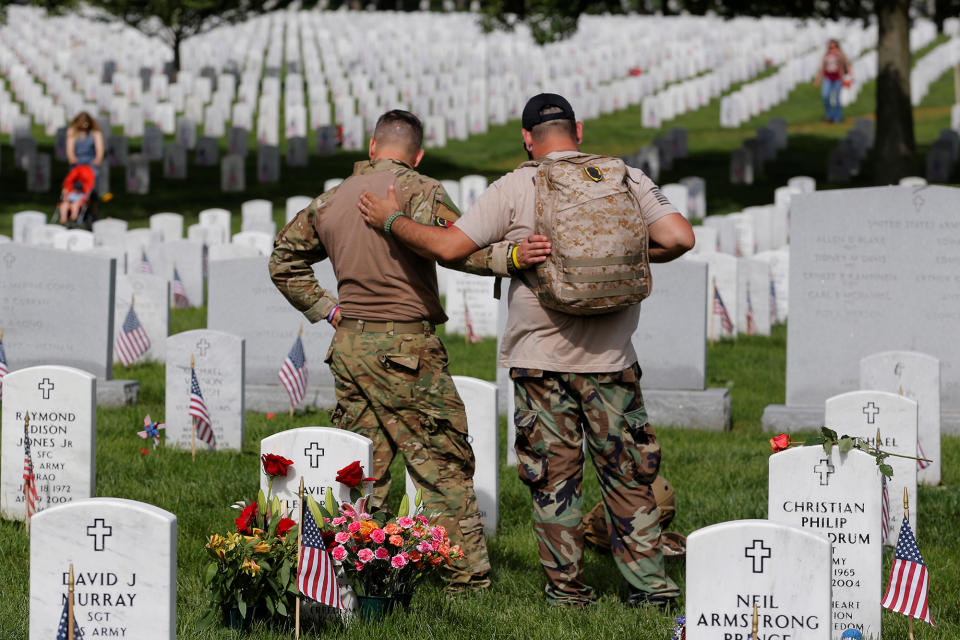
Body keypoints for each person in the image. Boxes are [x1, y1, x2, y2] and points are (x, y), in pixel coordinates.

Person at [358, 94, 695, 608]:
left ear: (526, 139)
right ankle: (651, 589)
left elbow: (449, 248)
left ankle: (567, 592)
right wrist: (617, 253)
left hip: (538, 360)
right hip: (612, 363)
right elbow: (679, 237)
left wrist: (390, 220)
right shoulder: (624, 175)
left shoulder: (517, 184)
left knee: (554, 481)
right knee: (626, 475)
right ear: (577, 130)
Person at [269, 109, 547, 591]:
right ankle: (464, 579)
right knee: (442, 460)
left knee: (361, 466)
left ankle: (352, 573)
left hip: (350, 346)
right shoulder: (421, 191)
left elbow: (282, 261)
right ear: (416, 155)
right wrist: (514, 257)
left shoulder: (330, 201)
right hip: (407, 349)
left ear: (372, 147)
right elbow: (460, 248)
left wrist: (329, 310)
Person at [814, 39, 851, 124]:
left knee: (837, 98)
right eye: (830, 47)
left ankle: (837, 117)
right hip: (828, 77)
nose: (832, 49)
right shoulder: (826, 55)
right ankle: (829, 115)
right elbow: (822, 68)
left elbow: (846, 65)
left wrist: (849, 77)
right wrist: (818, 79)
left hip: (838, 78)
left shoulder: (841, 54)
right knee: (825, 96)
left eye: (834, 47)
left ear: (837, 47)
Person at [66, 111, 105, 182]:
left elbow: (100, 148)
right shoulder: (72, 131)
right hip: (78, 159)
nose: (84, 129)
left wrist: (98, 158)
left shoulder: (95, 133)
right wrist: (71, 157)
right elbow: (70, 149)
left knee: (94, 175)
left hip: (90, 159)